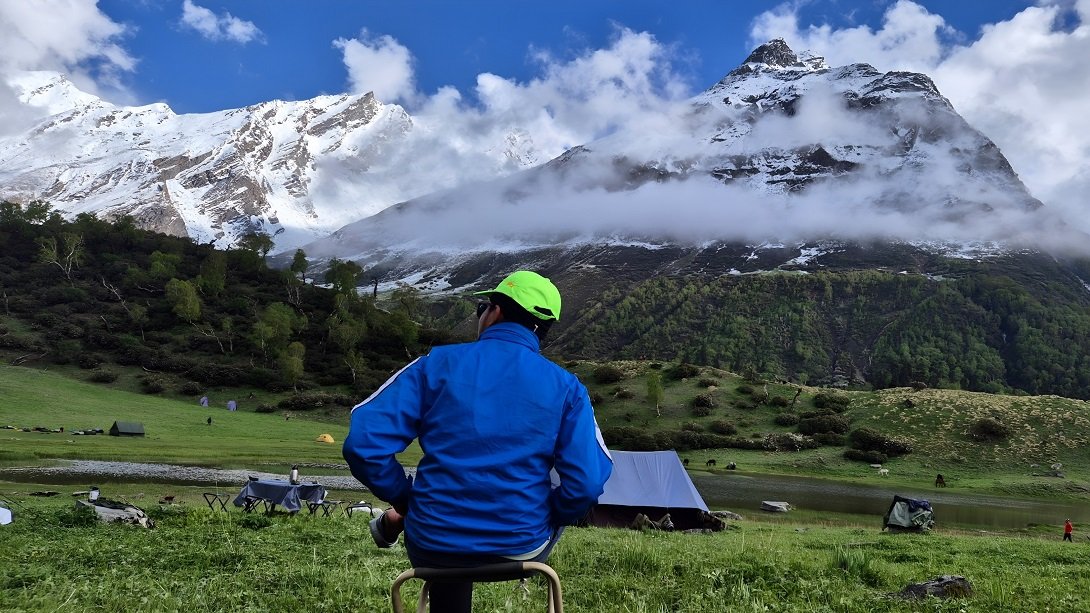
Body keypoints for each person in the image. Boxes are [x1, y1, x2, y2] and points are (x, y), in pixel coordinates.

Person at [343, 270, 613, 613]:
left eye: (481, 308)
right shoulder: (568, 387)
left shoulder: (434, 365)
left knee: (444, 542)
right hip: (522, 545)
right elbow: (587, 484)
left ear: (495, 311)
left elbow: (362, 445)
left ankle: (397, 518)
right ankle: (400, 519)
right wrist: (550, 513)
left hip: (432, 542)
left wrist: (406, 499)